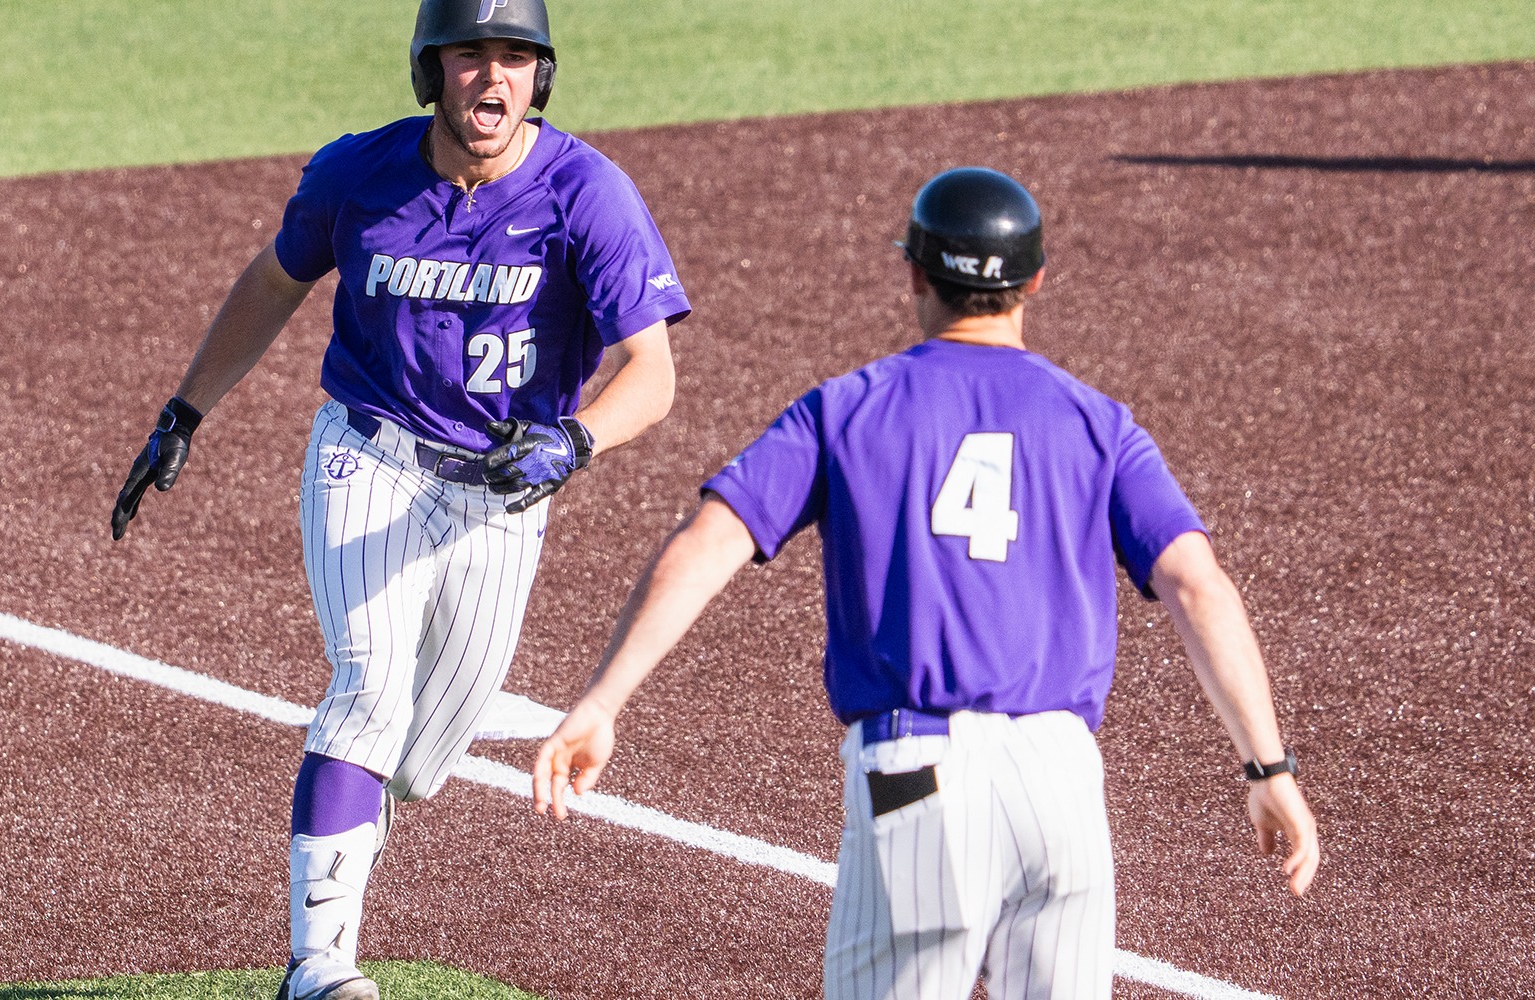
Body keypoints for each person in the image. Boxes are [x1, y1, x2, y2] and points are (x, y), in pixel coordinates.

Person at [533, 167, 1318, 1000]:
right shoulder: (1098, 424)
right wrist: (1268, 768)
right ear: (1036, 281)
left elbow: (704, 546)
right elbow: (1199, 586)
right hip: (1061, 780)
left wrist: (601, 701)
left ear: (913, 273)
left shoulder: (845, 409)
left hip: (916, 775)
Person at [109, 0, 691, 1000]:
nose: (492, 77)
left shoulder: (587, 193)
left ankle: (354, 825)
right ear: (433, 72)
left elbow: (652, 374)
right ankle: (319, 969)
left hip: (502, 492)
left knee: (419, 764)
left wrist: (576, 440)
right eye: (471, 55)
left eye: (515, 58)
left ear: (540, 78)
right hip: (366, 457)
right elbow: (275, 282)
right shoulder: (359, 173)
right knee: (367, 696)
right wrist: (185, 408)